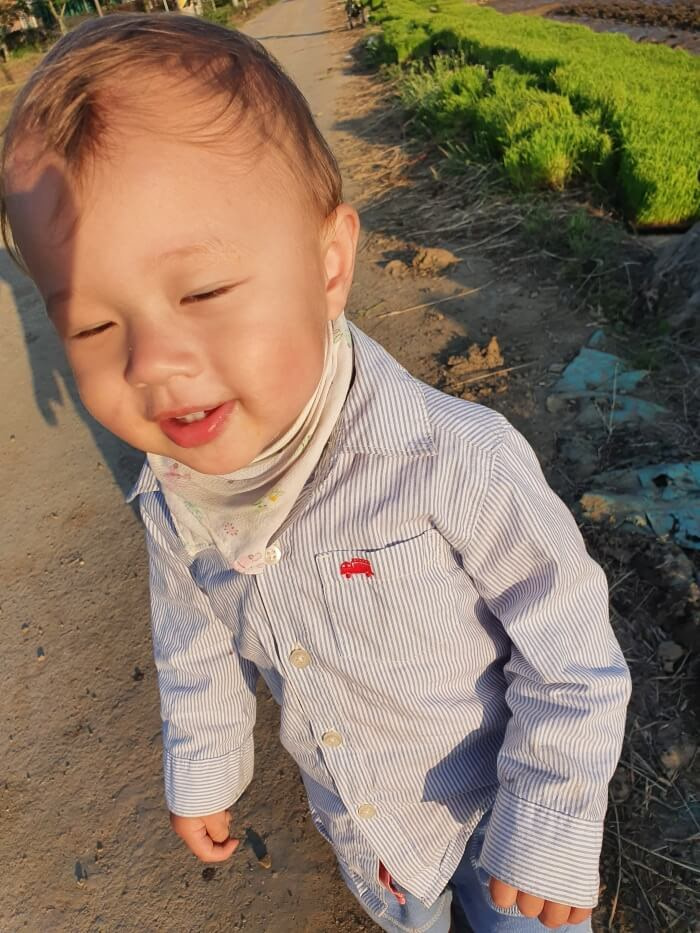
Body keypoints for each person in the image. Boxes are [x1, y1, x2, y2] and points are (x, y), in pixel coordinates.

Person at [1, 14, 631, 932]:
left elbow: (572, 653)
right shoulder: (179, 497)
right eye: (93, 327)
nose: (153, 363)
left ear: (329, 263)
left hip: (502, 820)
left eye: (203, 292)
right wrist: (206, 768)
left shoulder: (449, 457)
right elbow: (195, 644)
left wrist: (551, 818)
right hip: (370, 838)